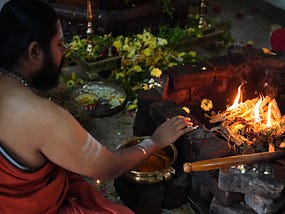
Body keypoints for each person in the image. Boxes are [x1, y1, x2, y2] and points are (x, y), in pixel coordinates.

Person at [0, 0, 194, 213]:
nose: (64, 51)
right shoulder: (42, 117)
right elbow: (107, 168)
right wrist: (155, 141)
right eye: (59, 44)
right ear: (34, 52)